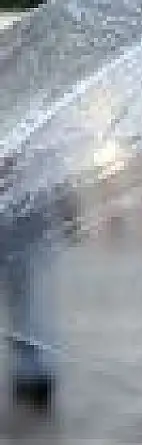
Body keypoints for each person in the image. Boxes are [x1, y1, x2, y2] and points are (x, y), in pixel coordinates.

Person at [0, 153, 59, 410]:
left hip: (23, 229)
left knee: (26, 301)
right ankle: (35, 370)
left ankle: (34, 371)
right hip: (27, 228)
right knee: (27, 302)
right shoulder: (39, 153)